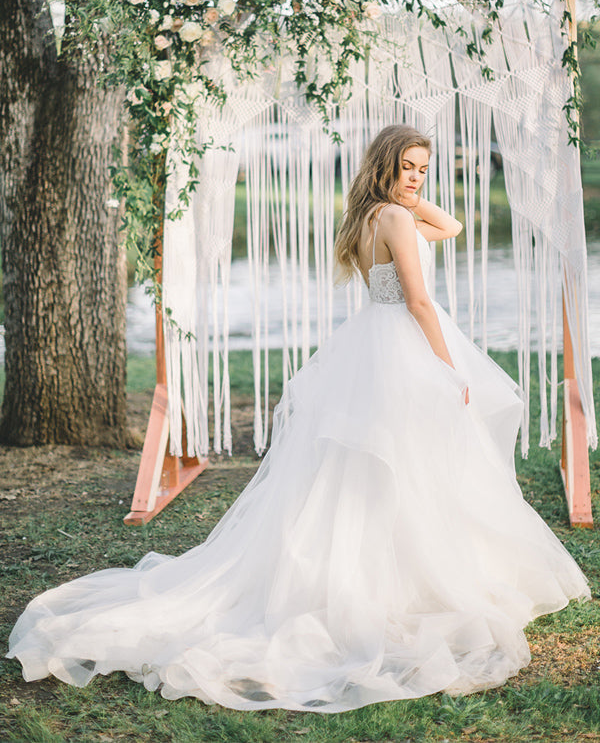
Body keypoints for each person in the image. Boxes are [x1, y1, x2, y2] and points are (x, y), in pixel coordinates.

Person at [8, 125, 590, 712]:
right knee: (407, 458)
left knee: (381, 461)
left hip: (372, 340)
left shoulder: (369, 216)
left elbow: (451, 227)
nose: (416, 177)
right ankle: (402, 577)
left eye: (423, 168)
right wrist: (447, 366)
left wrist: (411, 194)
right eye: (408, 167)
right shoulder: (394, 217)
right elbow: (417, 299)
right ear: (384, 165)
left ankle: (387, 566)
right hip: (406, 344)